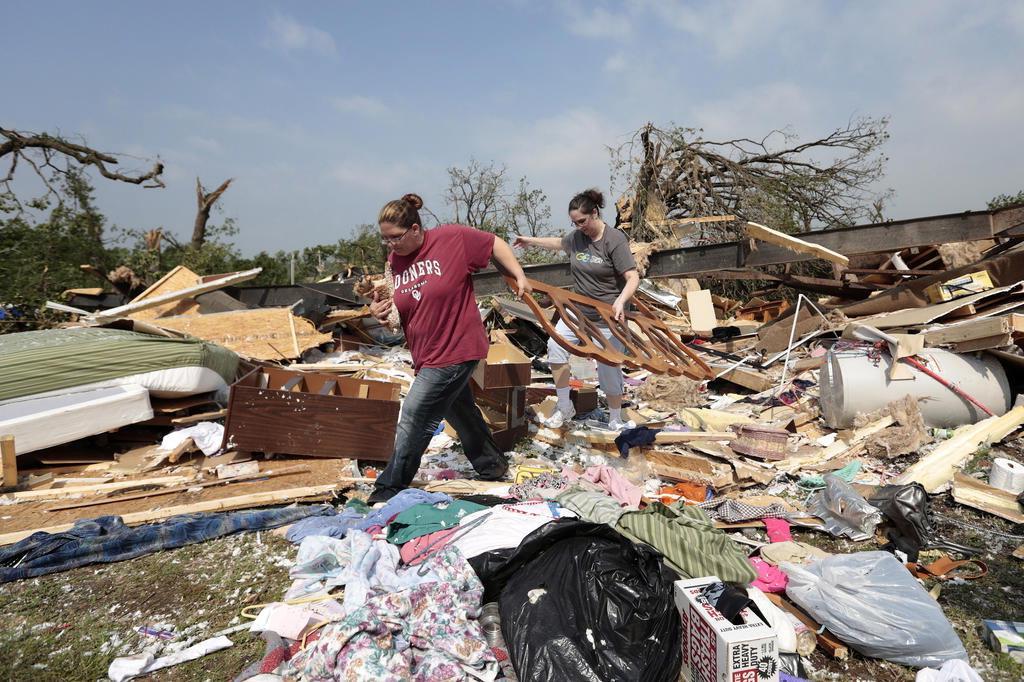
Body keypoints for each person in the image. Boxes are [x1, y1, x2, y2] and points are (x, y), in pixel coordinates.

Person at [367, 193, 531, 504]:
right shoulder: (395, 262)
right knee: (460, 412)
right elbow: (398, 315)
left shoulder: (452, 239)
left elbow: (494, 243)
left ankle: (389, 487)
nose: (391, 245)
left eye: (396, 238)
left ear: (416, 229)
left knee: (415, 414)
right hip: (426, 353)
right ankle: (491, 464)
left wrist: (519, 275)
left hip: (458, 347)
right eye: (385, 239)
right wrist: (379, 314)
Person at [514, 188, 639, 429]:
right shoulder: (577, 238)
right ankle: (565, 406)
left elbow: (632, 277)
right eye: (574, 222)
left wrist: (621, 301)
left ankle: (615, 418)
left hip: (608, 316)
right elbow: (559, 243)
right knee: (555, 347)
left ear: (594, 213)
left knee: (608, 366)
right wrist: (530, 240)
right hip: (578, 312)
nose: (579, 226)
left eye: (582, 221)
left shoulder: (614, 240)